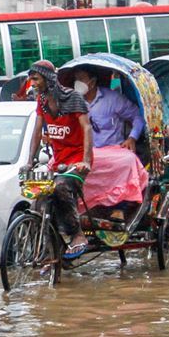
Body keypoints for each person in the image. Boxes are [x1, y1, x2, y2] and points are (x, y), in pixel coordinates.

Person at [24, 60, 93, 255]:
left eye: (35, 79)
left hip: (77, 159)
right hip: (59, 160)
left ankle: (77, 234)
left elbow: (87, 128)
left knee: (61, 186)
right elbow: (37, 130)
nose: (33, 83)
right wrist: (30, 160)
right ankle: (47, 249)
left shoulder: (73, 98)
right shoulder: (42, 101)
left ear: (48, 79)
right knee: (39, 198)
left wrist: (86, 160)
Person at [72, 65, 144, 151]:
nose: (77, 83)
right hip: (85, 154)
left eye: (81, 79)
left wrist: (132, 138)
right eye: (76, 79)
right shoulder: (73, 102)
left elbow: (137, 116)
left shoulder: (113, 99)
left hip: (113, 153)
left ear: (92, 82)